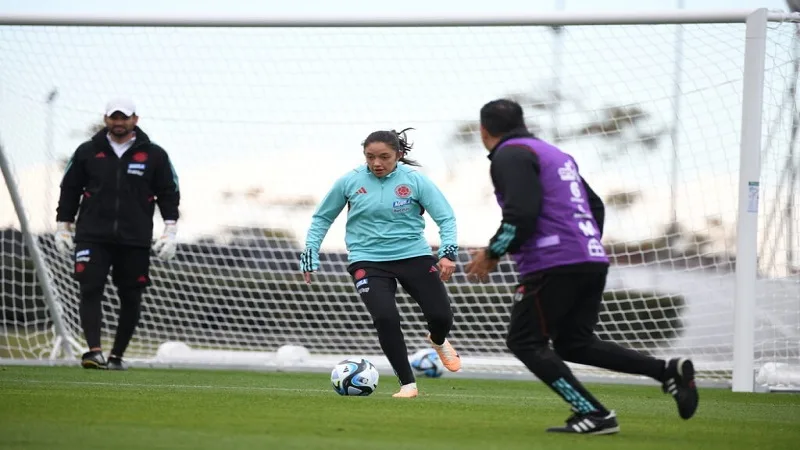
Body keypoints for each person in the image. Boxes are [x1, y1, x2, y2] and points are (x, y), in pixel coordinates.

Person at [464, 99, 699, 434]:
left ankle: (593, 412)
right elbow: (595, 206)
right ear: (523, 123)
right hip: (589, 259)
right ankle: (667, 372)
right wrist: (583, 246)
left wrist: (492, 253)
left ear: (483, 130)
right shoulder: (555, 154)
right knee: (574, 343)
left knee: (525, 342)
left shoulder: (510, 154)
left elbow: (521, 215)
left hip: (554, 264)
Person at [300, 128, 461, 398]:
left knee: (440, 316)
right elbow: (321, 218)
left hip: (414, 255)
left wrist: (448, 252)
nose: (377, 163)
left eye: (384, 157)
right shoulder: (349, 182)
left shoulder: (415, 180)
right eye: (370, 157)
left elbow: (446, 217)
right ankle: (408, 385)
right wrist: (310, 252)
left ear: (398, 155)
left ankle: (438, 339)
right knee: (386, 318)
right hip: (368, 260)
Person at [55, 97, 180, 371]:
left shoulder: (154, 155)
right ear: (106, 119)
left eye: (124, 117)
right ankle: (94, 352)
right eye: (114, 117)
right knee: (90, 287)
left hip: (134, 238)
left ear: (135, 119)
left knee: (131, 295)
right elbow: (70, 189)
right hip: (92, 235)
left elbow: (168, 192)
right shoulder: (87, 151)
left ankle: (116, 356)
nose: (119, 122)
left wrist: (170, 229)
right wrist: (63, 225)